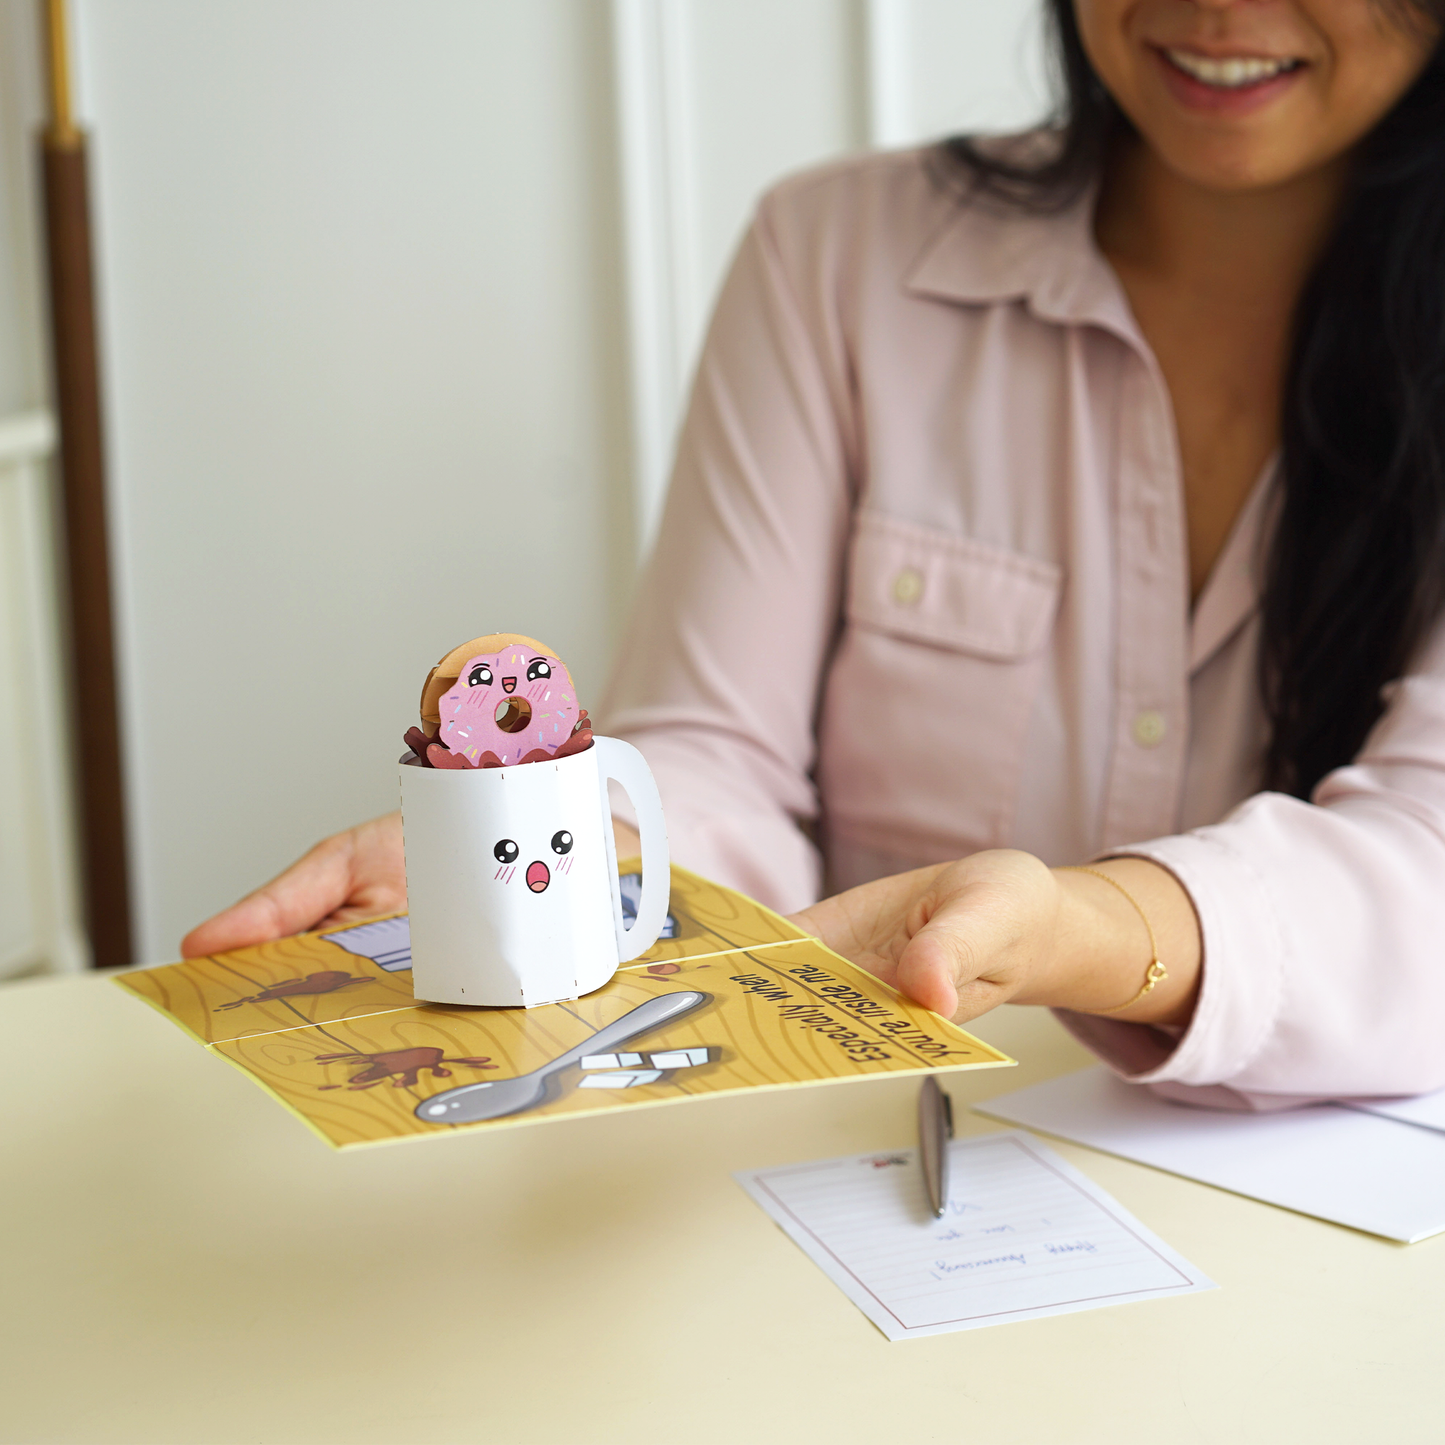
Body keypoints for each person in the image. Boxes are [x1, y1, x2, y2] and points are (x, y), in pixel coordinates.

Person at [184, 0, 1445, 1111]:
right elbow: (718, 756)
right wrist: (553, 849)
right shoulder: (835, 253)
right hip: (845, 1171)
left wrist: (1081, 927)